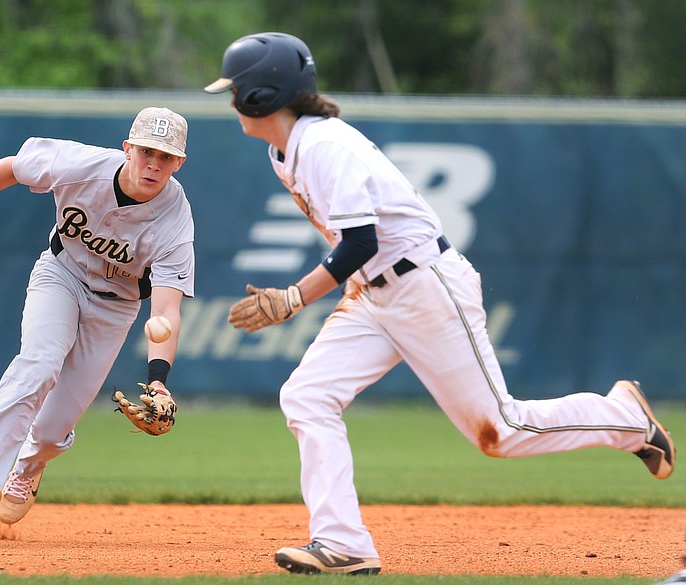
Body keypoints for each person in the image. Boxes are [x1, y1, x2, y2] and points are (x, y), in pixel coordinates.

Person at [205, 32, 676, 575]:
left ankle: (623, 419)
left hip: (423, 285)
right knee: (307, 397)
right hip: (372, 293)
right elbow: (356, 249)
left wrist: (291, 298)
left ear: (263, 96)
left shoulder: (325, 146)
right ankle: (343, 543)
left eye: (235, 89)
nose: (231, 99)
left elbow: (362, 241)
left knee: (502, 432)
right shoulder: (285, 151)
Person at [0, 106, 194, 537]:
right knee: (39, 363)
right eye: (146, 152)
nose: (154, 164)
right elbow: (12, 166)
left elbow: (165, 312)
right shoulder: (79, 165)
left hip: (116, 307)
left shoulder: (175, 219)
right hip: (61, 275)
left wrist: (158, 381)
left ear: (179, 163)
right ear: (127, 149)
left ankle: (29, 468)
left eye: (166, 157)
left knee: (51, 429)